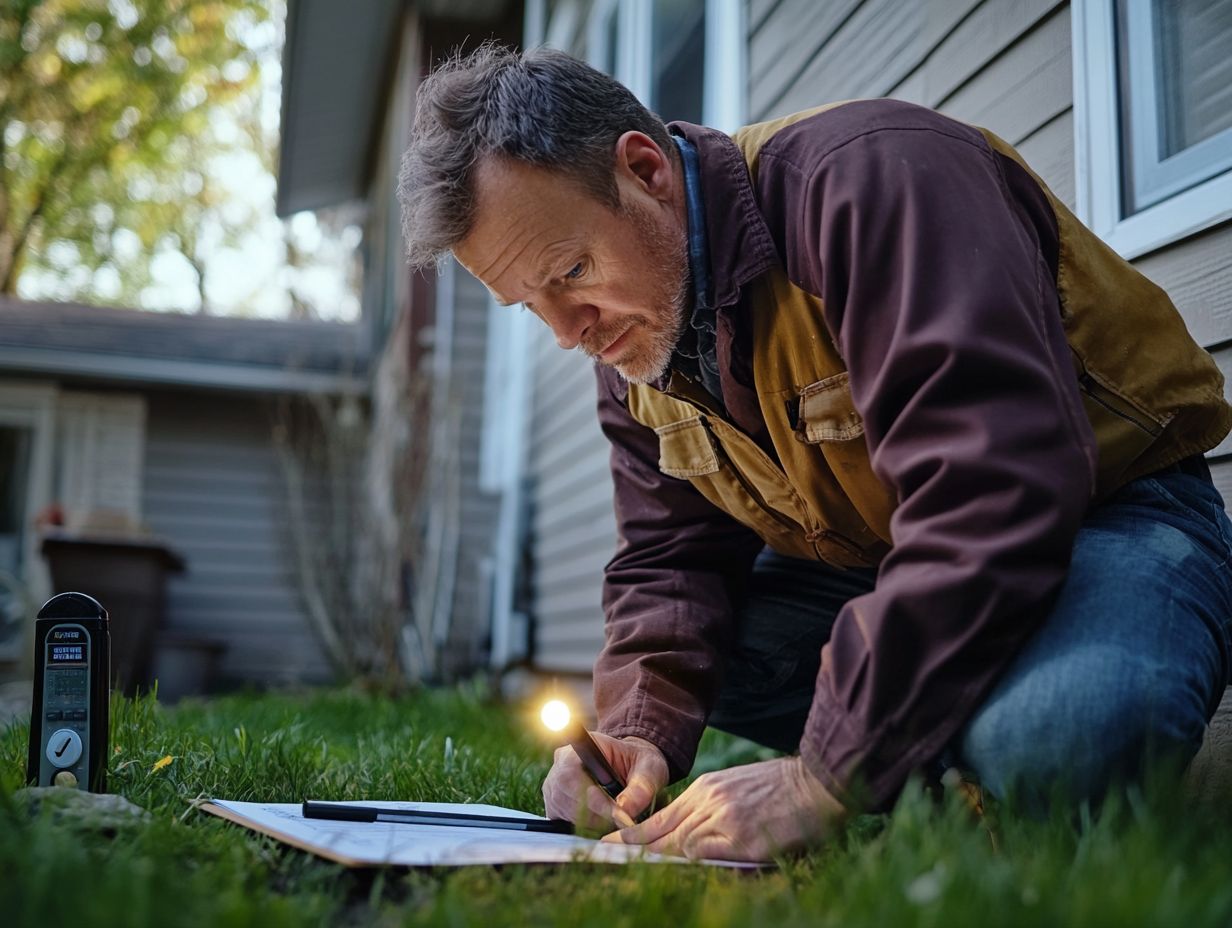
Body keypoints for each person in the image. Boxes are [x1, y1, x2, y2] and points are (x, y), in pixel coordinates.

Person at [397, 45, 1232, 861]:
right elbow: (668, 559)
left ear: (645, 170)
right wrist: (630, 733)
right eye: (530, 305)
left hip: (1111, 515)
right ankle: (941, 740)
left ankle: (950, 740)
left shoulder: (873, 183)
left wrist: (824, 779)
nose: (568, 331)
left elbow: (991, 488)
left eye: (572, 269)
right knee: (699, 654)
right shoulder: (631, 341)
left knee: (1061, 731)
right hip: (895, 564)